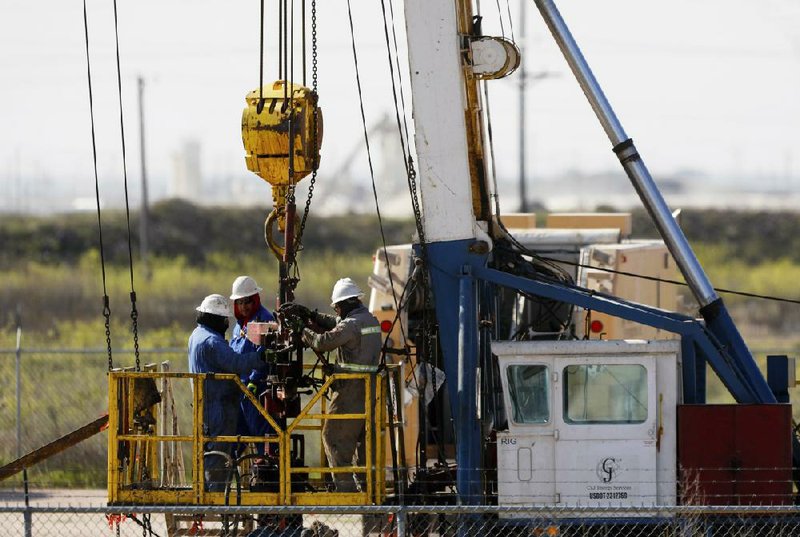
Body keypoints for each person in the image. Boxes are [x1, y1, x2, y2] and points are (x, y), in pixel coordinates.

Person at [280, 277, 382, 492]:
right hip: (370, 389)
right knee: (362, 443)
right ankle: (368, 492)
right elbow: (337, 324)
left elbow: (322, 342)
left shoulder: (351, 325)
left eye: (336, 308)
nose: (336, 312)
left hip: (349, 390)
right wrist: (312, 315)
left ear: (344, 304)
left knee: (333, 437)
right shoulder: (369, 320)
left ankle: (347, 494)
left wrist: (302, 330)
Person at [188, 293, 271, 492]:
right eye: (224, 319)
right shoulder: (212, 342)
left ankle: (209, 491)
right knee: (219, 451)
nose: (227, 323)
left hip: (207, 403)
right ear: (216, 318)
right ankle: (215, 497)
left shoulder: (197, 335)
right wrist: (263, 355)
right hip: (218, 406)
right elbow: (237, 364)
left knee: (213, 449)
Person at [229, 275, 278, 457]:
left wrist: (254, 381)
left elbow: (266, 354)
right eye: (240, 302)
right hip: (240, 390)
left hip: (257, 390)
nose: (243, 306)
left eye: (247, 302)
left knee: (262, 436)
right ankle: (223, 480)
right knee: (236, 437)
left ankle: (269, 476)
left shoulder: (264, 321)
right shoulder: (239, 325)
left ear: (255, 299)